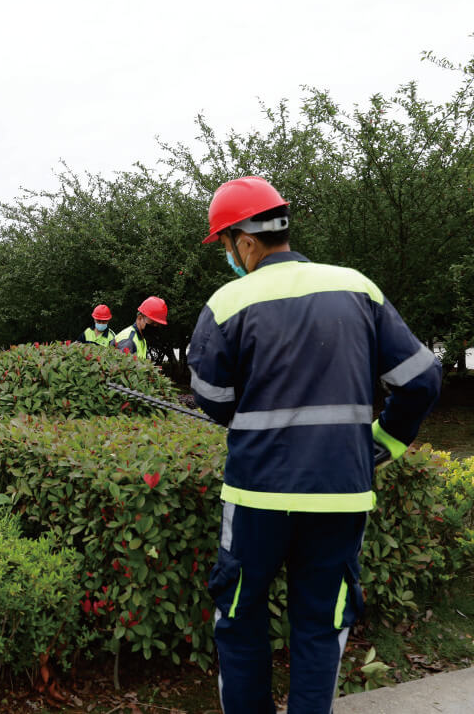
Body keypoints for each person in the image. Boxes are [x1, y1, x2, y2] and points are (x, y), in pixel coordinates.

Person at [187, 177, 440, 714]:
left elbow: (210, 396)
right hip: (341, 496)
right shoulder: (358, 287)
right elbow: (420, 380)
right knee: (322, 624)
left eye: (226, 247)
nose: (229, 258)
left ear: (245, 242)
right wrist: (387, 439)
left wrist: (253, 420)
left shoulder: (229, 301)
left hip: (256, 497)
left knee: (239, 616)